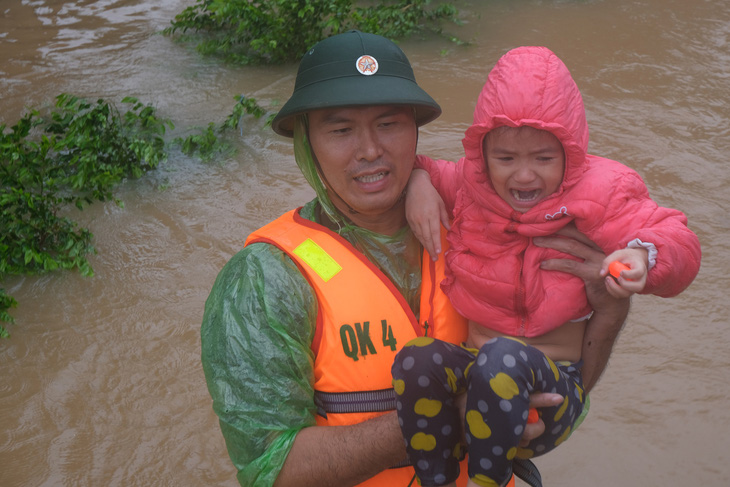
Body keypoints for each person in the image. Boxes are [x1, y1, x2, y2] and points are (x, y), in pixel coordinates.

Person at [200, 32, 631, 487]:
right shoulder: (266, 277)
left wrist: (609, 309)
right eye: (341, 129)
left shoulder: (485, 229)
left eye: (389, 124)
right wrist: (450, 417)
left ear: (416, 132)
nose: (370, 150)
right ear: (306, 142)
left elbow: (565, 389)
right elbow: (271, 469)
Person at [392, 46, 702, 487]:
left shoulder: (602, 188)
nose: (523, 176)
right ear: (482, 155)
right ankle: (436, 480)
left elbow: (676, 239)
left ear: (570, 154)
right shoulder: (468, 183)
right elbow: (411, 166)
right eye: (505, 159)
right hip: (479, 371)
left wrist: (639, 257)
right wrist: (419, 184)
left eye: (543, 159)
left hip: (556, 388)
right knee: (415, 360)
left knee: (501, 358)